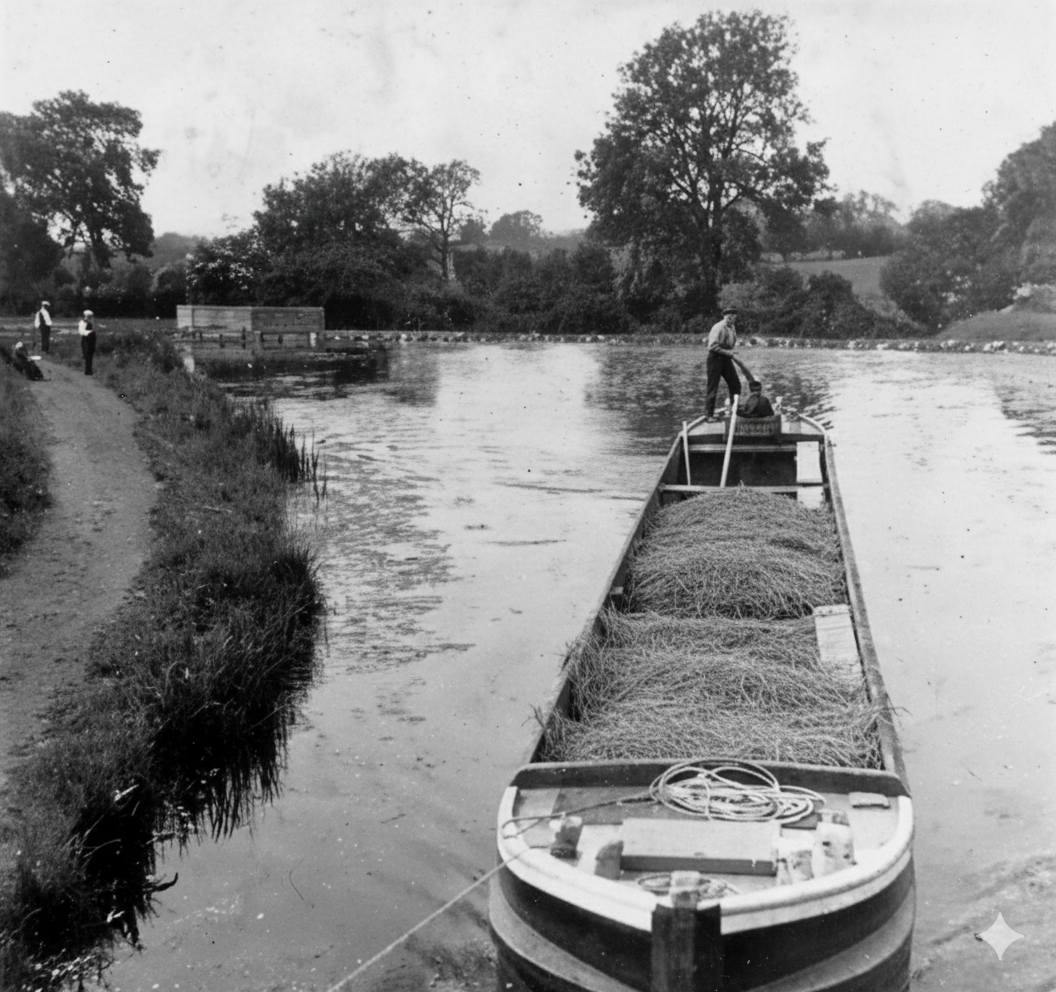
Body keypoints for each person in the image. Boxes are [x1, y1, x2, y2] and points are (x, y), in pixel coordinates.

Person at [704, 306, 740, 419]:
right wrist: (728, 353)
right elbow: (712, 346)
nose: (732, 320)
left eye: (734, 318)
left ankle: (735, 411)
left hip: (726, 358)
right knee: (713, 387)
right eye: (730, 318)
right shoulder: (718, 327)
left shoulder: (732, 327)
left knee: (735, 384)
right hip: (715, 358)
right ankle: (709, 415)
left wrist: (731, 352)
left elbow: (731, 343)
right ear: (726, 317)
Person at [78, 309, 96, 375]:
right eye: (89, 317)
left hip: (91, 339)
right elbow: (81, 332)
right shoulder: (82, 323)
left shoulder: (89, 323)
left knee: (90, 354)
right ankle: (87, 370)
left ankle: (89, 370)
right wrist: (89, 333)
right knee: (87, 355)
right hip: (86, 339)